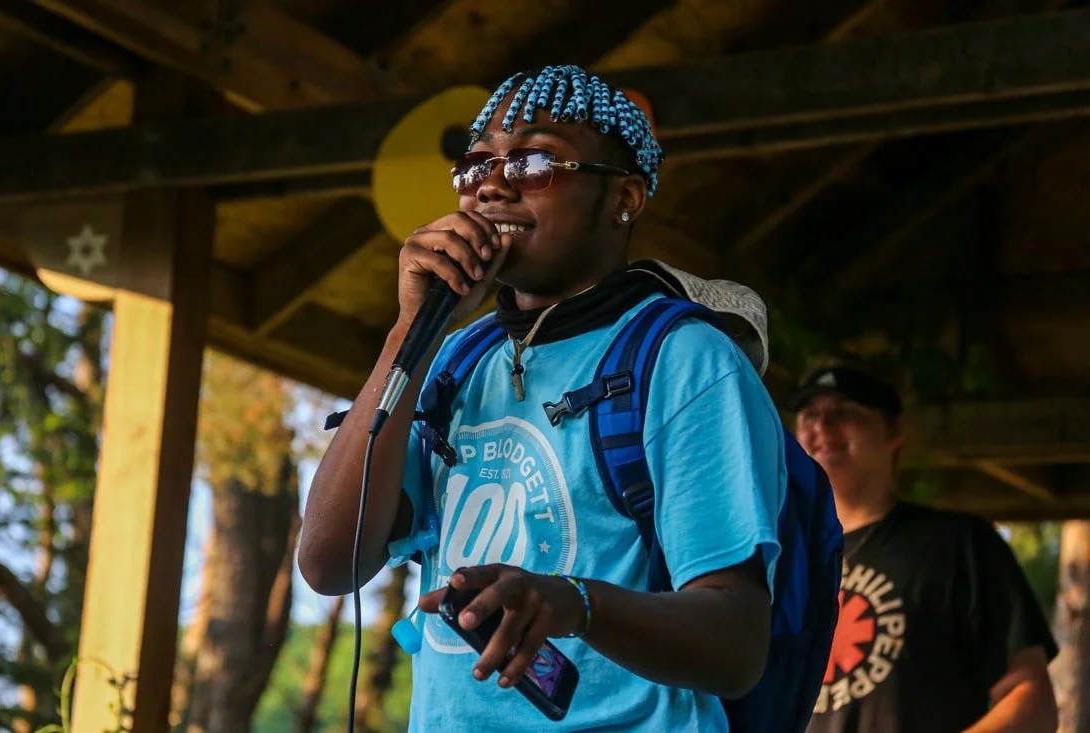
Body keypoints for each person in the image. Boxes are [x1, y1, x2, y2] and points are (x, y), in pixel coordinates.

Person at [298, 64, 788, 731]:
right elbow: (330, 561)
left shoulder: (686, 360)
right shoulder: (452, 359)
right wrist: (408, 334)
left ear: (624, 198)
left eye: (535, 161)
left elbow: (736, 642)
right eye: (477, 166)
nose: (494, 184)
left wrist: (575, 602)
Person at [789, 366, 1059, 733]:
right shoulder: (776, 557)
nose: (822, 427)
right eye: (810, 415)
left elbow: (1031, 700)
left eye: (845, 413)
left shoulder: (960, 545)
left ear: (895, 432)